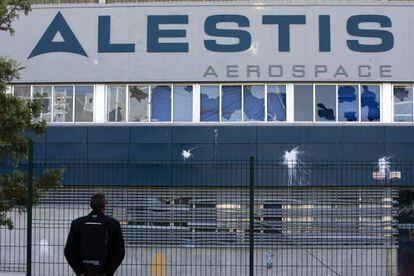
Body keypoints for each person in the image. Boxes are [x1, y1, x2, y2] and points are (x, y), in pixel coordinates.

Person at [64, 193, 125, 276]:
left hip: (85, 271)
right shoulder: (113, 223)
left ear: (91, 205)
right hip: (103, 271)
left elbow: (69, 250)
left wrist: (80, 271)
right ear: (104, 206)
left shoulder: (77, 223)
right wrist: (107, 272)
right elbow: (119, 252)